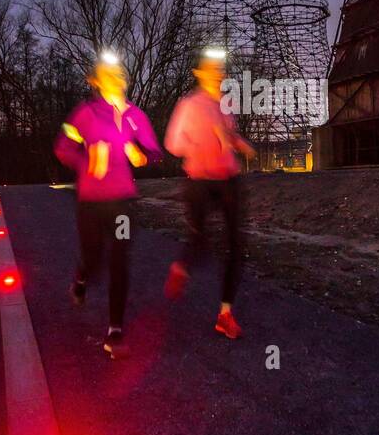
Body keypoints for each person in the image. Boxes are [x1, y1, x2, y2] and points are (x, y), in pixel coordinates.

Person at [54, 51, 162, 358]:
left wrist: (140, 154)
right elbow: (63, 148)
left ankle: (115, 329)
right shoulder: (85, 113)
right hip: (90, 200)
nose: (117, 78)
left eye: (120, 73)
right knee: (94, 256)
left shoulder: (134, 115)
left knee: (119, 260)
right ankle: (81, 278)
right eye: (109, 74)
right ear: (97, 82)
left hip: (123, 201)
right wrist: (87, 161)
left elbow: (154, 151)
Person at [163, 46, 255, 338]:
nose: (218, 74)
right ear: (199, 73)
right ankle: (182, 267)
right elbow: (173, 143)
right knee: (200, 240)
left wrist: (239, 144)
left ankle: (225, 314)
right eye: (212, 69)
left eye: (221, 70)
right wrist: (200, 147)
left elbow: (228, 136)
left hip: (229, 180)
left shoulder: (226, 104)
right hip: (200, 181)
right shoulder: (189, 105)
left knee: (235, 245)